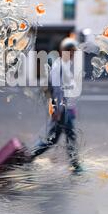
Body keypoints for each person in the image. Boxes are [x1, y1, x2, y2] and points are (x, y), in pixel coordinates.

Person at [30, 37, 83, 173]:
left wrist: (71, 109)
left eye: (73, 52)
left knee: (69, 137)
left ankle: (75, 164)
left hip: (65, 109)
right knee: (53, 139)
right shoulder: (58, 67)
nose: (73, 55)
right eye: (70, 52)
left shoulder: (64, 65)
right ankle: (28, 157)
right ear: (63, 51)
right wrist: (56, 111)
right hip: (60, 110)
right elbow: (56, 91)